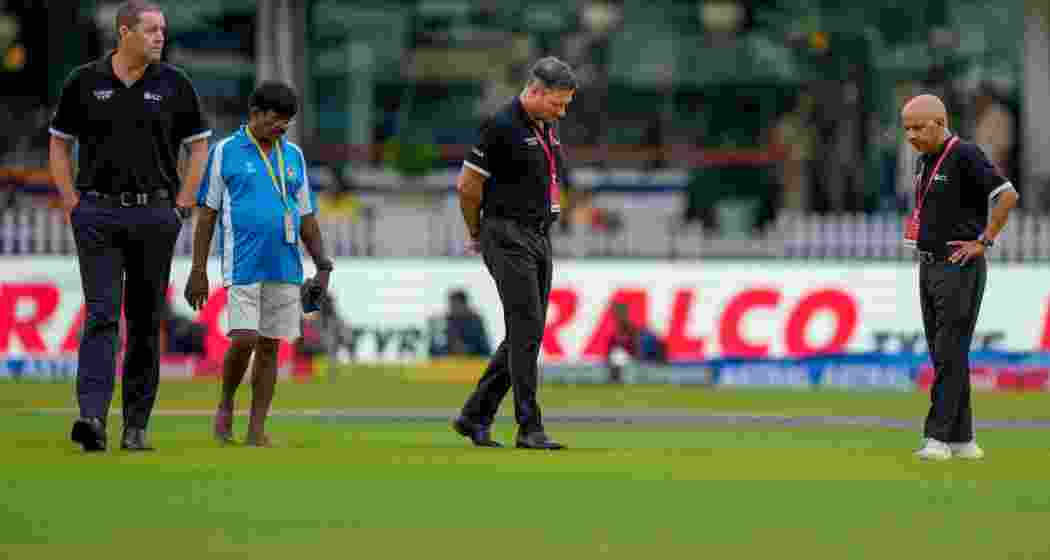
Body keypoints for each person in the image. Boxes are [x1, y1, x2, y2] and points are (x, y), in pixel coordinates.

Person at [48, 1, 211, 452]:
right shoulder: (83, 82)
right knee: (101, 314)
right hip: (96, 214)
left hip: (155, 215)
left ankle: (136, 426)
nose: (161, 37)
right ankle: (92, 419)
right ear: (124, 33)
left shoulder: (176, 85)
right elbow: (59, 145)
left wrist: (182, 203)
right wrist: (70, 202)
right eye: (151, 29)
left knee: (144, 321)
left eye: (163, 30)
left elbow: (199, 148)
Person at [183, 81, 333, 447]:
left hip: (285, 266)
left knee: (270, 347)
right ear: (254, 114)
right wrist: (199, 269)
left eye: (287, 121)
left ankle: (256, 429)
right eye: (276, 118)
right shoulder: (225, 152)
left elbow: (307, 217)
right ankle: (226, 403)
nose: (281, 126)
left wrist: (323, 265)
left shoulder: (293, 155)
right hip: (242, 264)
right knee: (245, 338)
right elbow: (207, 214)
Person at [452, 57, 575, 450]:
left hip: (538, 236)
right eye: (558, 103)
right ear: (535, 91)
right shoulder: (500, 126)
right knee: (526, 330)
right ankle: (529, 427)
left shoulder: (545, 127)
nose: (563, 111)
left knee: (529, 332)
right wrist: (476, 231)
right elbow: (468, 187)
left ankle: (475, 416)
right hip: (506, 233)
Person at [901, 94, 1019, 461]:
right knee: (945, 354)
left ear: (940, 122)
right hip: (929, 263)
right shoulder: (926, 160)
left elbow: (1007, 195)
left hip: (957, 264)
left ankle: (936, 438)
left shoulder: (965, 153)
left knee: (949, 351)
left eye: (919, 127)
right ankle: (962, 439)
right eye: (906, 129)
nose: (911, 136)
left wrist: (984, 241)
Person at [431, 289, 492, 358]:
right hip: (448, 363)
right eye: (451, 305)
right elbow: (434, 350)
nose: (452, 308)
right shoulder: (443, 322)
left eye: (456, 305)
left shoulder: (475, 322)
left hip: (473, 363)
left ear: (464, 304)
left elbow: (485, 350)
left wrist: (467, 350)